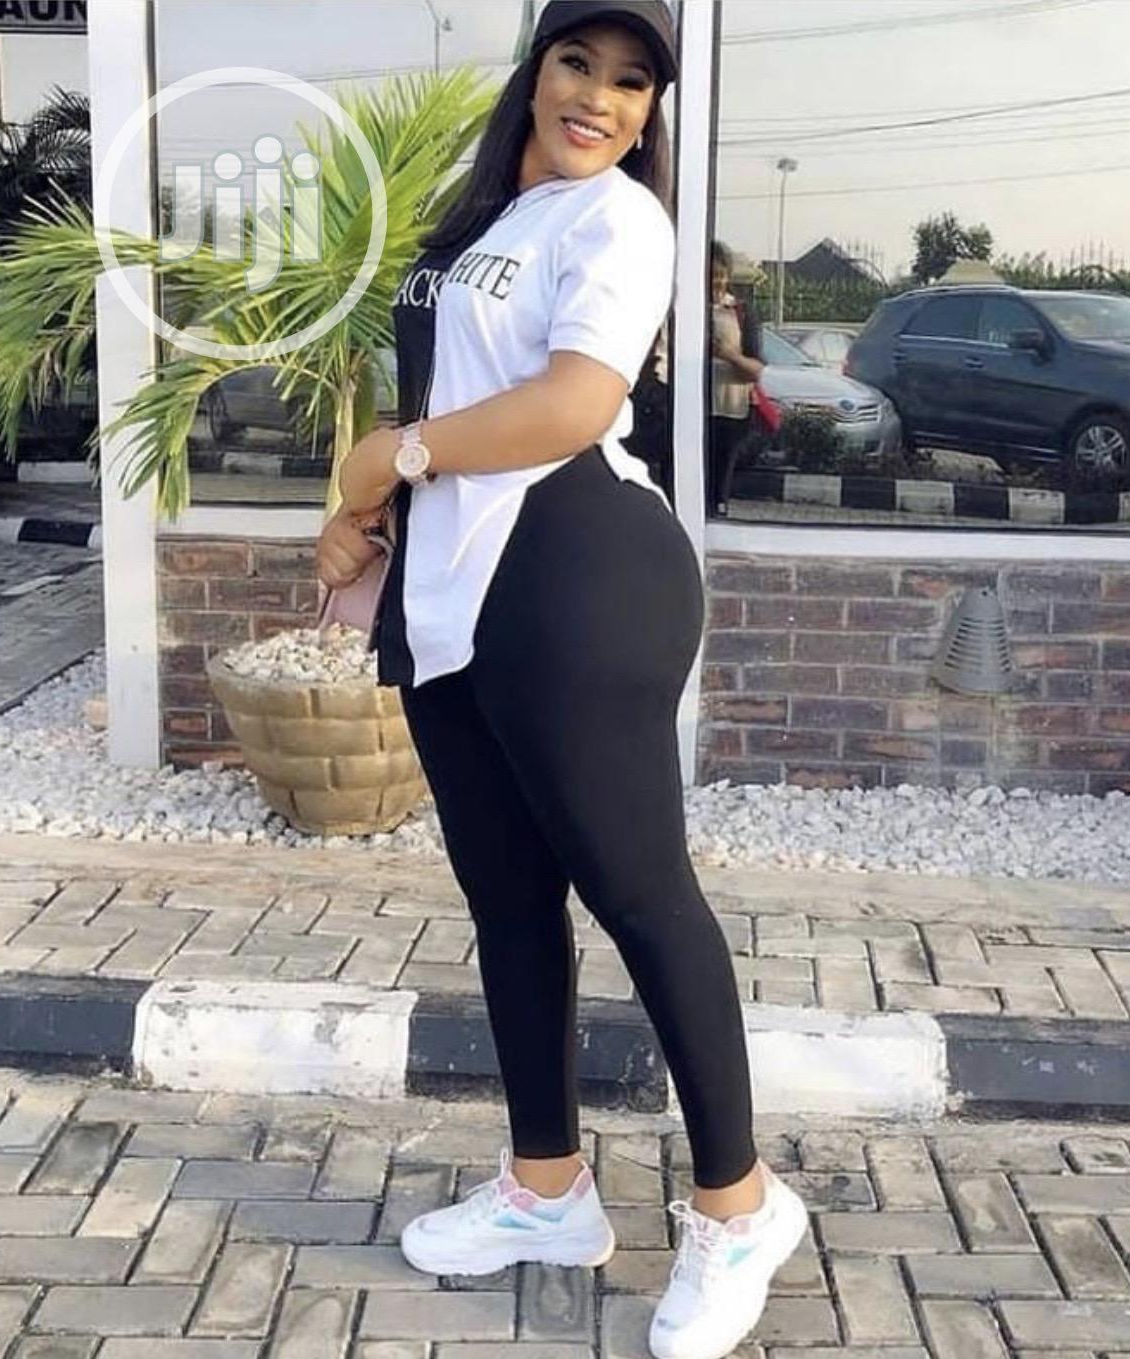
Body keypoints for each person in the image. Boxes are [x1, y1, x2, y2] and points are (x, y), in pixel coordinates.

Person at [317, 5, 807, 1356]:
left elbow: (576, 402)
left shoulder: (619, 221)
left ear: (653, 112)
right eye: (579, 63)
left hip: (577, 573)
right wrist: (360, 506)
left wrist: (390, 457)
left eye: (634, 81)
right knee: (510, 901)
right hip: (454, 592)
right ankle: (548, 1190)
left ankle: (741, 1207)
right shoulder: (489, 216)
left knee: (642, 896)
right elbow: (442, 393)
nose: (600, 97)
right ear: (536, 70)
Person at [708, 239, 764, 514]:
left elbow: (756, 368)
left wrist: (729, 355)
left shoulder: (740, 313)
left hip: (730, 412)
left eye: (720, 275)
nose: (715, 283)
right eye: (709, 276)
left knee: (719, 484)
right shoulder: (682, 311)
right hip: (689, 412)